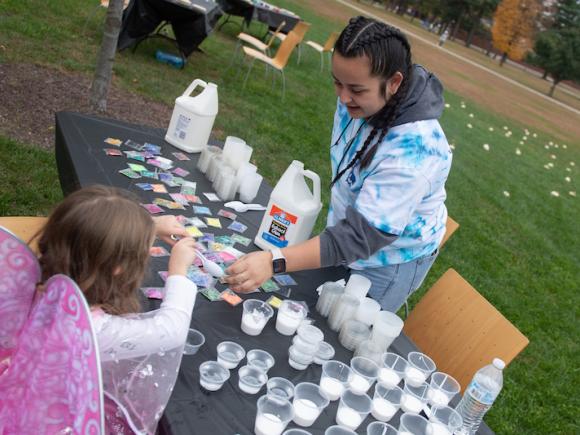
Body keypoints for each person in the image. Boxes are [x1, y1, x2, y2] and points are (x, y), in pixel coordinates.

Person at [225, 16, 452, 313]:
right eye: (337, 82)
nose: (343, 98)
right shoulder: (360, 95)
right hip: (350, 233)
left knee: (344, 335)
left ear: (394, 83)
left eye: (356, 90)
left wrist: (275, 260)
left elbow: (360, 238)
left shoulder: (415, 154)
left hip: (388, 260)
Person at [34, 185, 197, 432]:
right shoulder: (92, 328)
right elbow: (172, 329)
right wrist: (178, 272)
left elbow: (89, 233)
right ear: (118, 269)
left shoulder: (41, 278)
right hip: (55, 417)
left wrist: (149, 226)